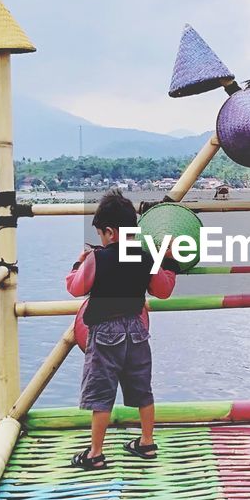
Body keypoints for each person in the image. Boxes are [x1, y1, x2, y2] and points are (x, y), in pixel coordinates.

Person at [65, 189, 177, 469]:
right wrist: (170, 262)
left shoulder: (97, 258)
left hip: (104, 332)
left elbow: (75, 288)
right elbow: (163, 291)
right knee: (142, 390)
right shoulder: (145, 257)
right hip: (137, 329)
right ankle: (147, 443)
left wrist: (80, 262)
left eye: (102, 234)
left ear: (110, 232)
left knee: (101, 395)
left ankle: (95, 454)